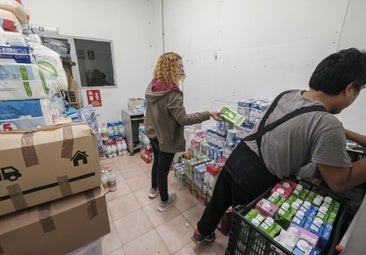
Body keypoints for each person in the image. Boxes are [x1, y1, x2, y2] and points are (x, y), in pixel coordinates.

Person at [191, 48, 366, 244]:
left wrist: (347, 132)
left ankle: (201, 232)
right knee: (245, 228)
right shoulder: (326, 123)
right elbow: (340, 181)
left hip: (239, 155)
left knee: (218, 201)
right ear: (350, 88)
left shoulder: (289, 95)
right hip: (256, 178)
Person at [144, 52, 222, 212]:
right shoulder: (173, 93)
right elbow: (183, 119)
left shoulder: (153, 85)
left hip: (153, 133)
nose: (182, 68)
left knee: (157, 162)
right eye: (179, 65)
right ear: (170, 68)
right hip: (165, 137)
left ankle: (154, 190)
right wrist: (208, 113)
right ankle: (164, 201)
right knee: (163, 169)